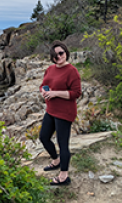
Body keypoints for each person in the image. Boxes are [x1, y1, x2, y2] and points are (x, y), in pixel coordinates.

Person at [39, 40, 82, 186]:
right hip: (51, 110)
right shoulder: (50, 69)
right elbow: (42, 85)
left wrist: (55, 93)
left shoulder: (72, 71)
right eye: (55, 55)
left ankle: (64, 176)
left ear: (66, 52)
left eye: (61, 53)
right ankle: (56, 160)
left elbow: (76, 93)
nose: (59, 56)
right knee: (43, 137)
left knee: (62, 144)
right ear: (52, 57)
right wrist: (43, 92)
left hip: (65, 112)